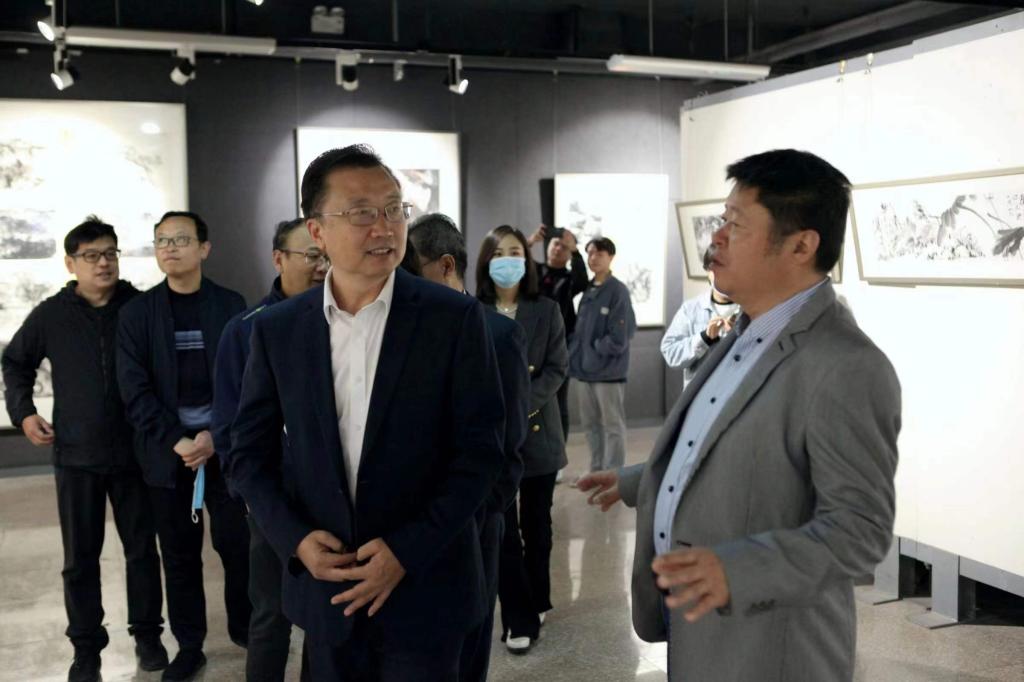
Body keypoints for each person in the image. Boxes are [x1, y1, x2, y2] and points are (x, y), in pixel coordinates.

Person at [578, 149, 901, 681]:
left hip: (768, 651)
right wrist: (642, 479)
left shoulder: (846, 366)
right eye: (721, 219)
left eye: (736, 225)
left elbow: (860, 531)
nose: (717, 238)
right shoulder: (747, 330)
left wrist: (736, 570)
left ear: (801, 245)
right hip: (700, 631)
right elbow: (721, 440)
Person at [228, 145, 505, 681]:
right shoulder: (279, 330)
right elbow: (248, 456)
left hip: (426, 588)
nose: (385, 227)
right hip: (326, 592)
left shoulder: (454, 320)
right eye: (361, 212)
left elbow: (481, 454)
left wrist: (405, 551)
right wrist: (296, 541)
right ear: (317, 230)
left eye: (394, 209)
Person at [1, 217, 166, 682]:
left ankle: (148, 634)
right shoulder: (52, 314)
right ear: (70, 263)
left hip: (135, 454)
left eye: (110, 253)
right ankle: (86, 648)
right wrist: (24, 413)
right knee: (80, 560)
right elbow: (15, 362)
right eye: (91, 256)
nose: (103, 263)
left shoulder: (139, 307)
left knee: (141, 552)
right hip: (76, 455)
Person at [117, 211, 250, 681]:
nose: (170, 248)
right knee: (178, 556)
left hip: (223, 451)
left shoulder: (230, 305)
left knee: (237, 546)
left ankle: (246, 629)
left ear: (204, 248)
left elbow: (246, 380)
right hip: (167, 456)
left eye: (180, 239)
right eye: (162, 241)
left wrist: (214, 435)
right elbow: (133, 389)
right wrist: (178, 440)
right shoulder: (137, 314)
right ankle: (190, 646)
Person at [407, 213, 530, 681]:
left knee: (468, 644)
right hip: (411, 523)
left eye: (410, 271)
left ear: (444, 266)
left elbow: (509, 444)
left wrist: (479, 512)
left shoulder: (497, 334)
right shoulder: (404, 332)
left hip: (475, 522)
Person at [211, 218, 328, 682]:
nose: (322, 266)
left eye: (326, 256)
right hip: (272, 500)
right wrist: (251, 498)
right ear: (278, 259)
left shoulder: (340, 319)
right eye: (311, 255)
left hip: (332, 496)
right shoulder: (246, 330)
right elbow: (229, 426)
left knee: (327, 617)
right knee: (270, 615)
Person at [477, 224, 568, 654]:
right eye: (498, 253)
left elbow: (556, 368)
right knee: (503, 531)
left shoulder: (546, 309)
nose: (507, 260)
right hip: (491, 436)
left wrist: (519, 405)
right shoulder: (472, 310)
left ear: (526, 260)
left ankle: (538, 598)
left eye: (515, 252)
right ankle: (518, 616)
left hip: (537, 432)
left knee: (537, 526)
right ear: (486, 261)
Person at [569, 237, 636, 473]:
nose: (593, 258)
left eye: (599, 253)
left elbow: (621, 336)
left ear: (611, 257)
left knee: (612, 425)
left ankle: (613, 472)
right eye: (590, 253)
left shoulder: (618, 291)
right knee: (590, 424)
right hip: (584, 370)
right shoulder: (589, 288)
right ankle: (596, 470)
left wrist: (596, 348)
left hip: (608, 372)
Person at [526, 224, 588, 443]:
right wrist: (530, 241)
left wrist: (576, 251)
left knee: (559, 400)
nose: (558, 249)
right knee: (529, 396)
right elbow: (518, 262)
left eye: (564, 247)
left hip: (559, 345)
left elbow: (582, 280)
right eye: (555, 244)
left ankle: (558, 448)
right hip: (531, 343)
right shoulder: (536, 272)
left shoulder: (570, 279)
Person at [660, 249, 740, 386]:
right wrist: (704, 338)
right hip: (700, 395)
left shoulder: (750, 309)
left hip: (737, 392)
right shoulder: (690, 309)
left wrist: (739, 336)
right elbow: (670, 353)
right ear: (708, 271)